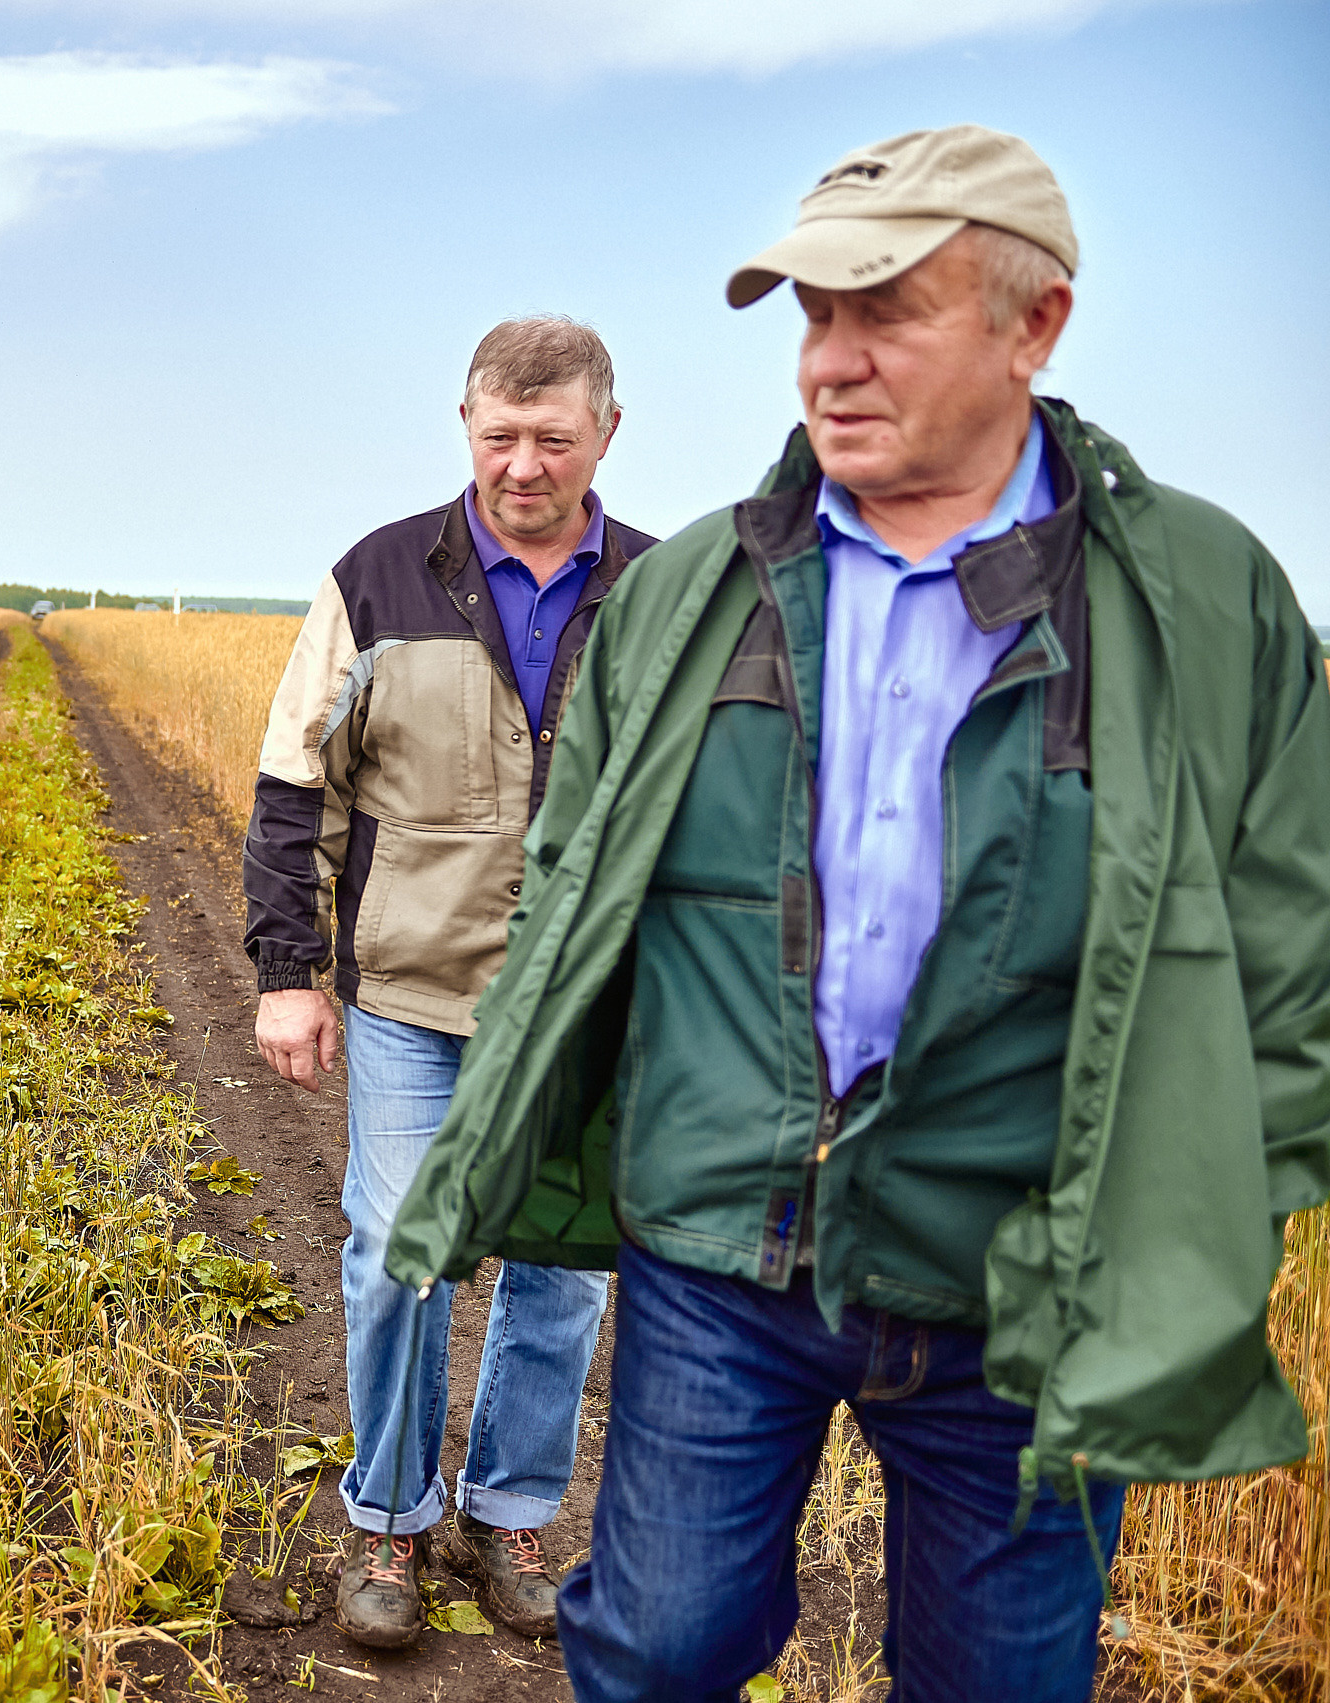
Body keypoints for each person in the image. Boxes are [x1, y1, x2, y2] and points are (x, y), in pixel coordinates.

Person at [385, 126, 1330, 1700]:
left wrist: (1185, 1221)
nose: (832, 361)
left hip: (1017, 1276)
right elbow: (570, 892)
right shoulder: (691, 592)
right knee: (655, 1648)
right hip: (717, 1250)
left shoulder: (1205, 608)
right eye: (813, 317)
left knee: (997, 1682)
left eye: (886, 310)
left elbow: (1296, 965)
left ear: (1037, 326)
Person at [244, 318, 657, 1647]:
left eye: (552, 436)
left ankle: (510, 1515)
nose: (523, 463)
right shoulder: (375, 579)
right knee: (398, 1260)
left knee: (562, 1278)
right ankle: (389, 1521)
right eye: (499, 435)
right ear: (466, 424)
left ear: (606, 430)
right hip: (412, 995)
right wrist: (286, 972)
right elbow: (292, 784)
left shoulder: (670, 594)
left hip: (586, 1008)